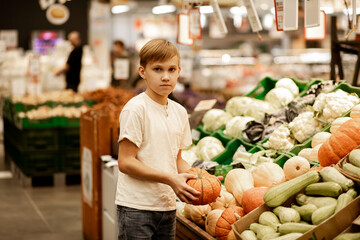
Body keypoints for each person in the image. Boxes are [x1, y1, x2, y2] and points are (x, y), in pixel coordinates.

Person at [116, 39, 201, 240]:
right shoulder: (136, 109)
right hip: (137, 208)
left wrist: (201, 180)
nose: (165, 77)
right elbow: (126, 162)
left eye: (171, 69)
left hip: (168, 206)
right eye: (157, 69)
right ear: (142, 72)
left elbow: (177, 160)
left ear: (179, 71)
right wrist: (170, 179)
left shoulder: (180, 112)